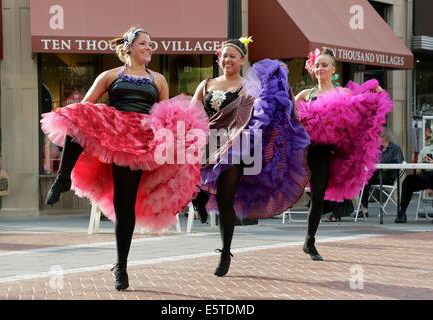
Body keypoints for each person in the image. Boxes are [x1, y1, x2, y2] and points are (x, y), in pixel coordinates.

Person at [41, 27, 208, 290]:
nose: (149, 47)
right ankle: (62, 179)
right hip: (116, 133)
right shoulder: (109, 75)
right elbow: (83, 109)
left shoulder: (159, 80)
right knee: (78, 115)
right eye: (144, 43)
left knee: (125, 205)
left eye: (151, 44)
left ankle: (122, 266)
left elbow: (165, 114)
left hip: (140, 143)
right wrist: (102, 118)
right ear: (130, 47)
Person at [191, 38, 311, 276]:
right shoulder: (206, 84)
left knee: (226, 198)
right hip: (205, 144)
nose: (227, 60)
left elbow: (260, 114)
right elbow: (192, 111)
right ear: (218, 58)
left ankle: (225, 252)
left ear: (242, 60)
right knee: (195, 185)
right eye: (224, 55)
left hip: (233, 147)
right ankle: (199, 199)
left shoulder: (249, 88)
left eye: (232, 56)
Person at [295, 48, 393, 261]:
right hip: (307, 150)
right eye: (317, 65)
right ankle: (309, 240)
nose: (320, 68)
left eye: (324, 65)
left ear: (333, 69)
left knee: (318, 196)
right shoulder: (305, 95)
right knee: (308, 193)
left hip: (333, 152)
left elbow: (363, 112)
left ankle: (309, 241)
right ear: (312, 68)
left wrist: (376, 94)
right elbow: (289, 117)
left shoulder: (344, 94)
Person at [359, 128, 404, 217]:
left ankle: (363, 208)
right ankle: (364, 209)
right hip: (377, 175)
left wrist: (385, 167)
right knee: (365, 180)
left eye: (379, 139)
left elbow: (398, 163)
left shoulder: (395, 148)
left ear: (385, 138)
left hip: (388, 176)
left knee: (368, 177)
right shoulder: (377, 148)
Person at [395, 145, 433, 223]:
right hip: (425, 175)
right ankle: (402, 212)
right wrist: (421, 166)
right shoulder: (425, 150)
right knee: (408, 180)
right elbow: (417, 168)